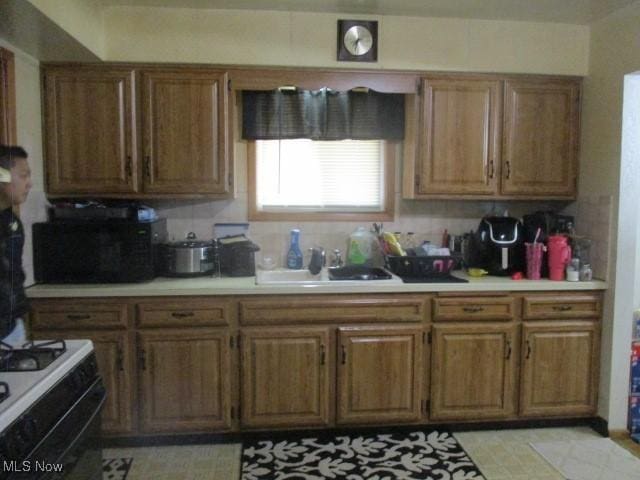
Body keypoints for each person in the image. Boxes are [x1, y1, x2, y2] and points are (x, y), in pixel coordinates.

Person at [0, 145, 32, 346]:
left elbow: (14, 275)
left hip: (11, 328)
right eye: (23, 176)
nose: (29, 184)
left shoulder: (12, 223)